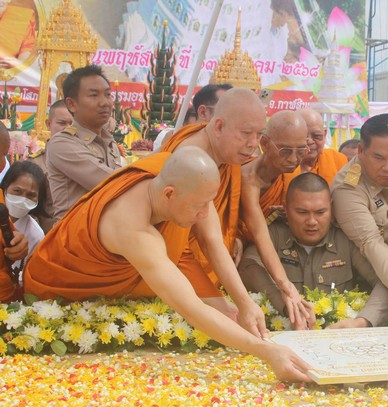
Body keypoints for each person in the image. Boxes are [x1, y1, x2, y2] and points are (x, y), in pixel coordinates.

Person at [24, 147, 310, 382]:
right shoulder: (132, 229)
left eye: (208, 204)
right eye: (199, 206)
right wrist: (267, 352)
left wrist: (244, 303)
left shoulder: (177, 174)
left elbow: (212, 241)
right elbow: (192, 308)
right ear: (169, 194)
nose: (204, 215)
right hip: (57, 287)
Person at [161, 88, 311, 328]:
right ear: (219, 126)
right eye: (245, 134)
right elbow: (209, 238)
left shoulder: (227, 155)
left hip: (208, 259)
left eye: (258, 134)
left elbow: (258, 230)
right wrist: (244, 302)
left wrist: (285, 285)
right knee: (226, 318)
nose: (253, 145)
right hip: (172, 258)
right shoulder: (193, 158)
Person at [239, 173, 388, 329]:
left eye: (320, 212)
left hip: (338, 335)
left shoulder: (346, 238)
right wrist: (287, 306)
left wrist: (361, 322)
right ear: (286, 208)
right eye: (302, 212)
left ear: (331, 208)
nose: (312, 221)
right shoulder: (273, 234)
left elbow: (385, 282)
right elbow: (248, 266)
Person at [331, 114, 388, 326]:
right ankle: (360, 323)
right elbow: (370, 242)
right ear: (361, 150)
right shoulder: (347, 188)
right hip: (363, 267)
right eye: (379, 158)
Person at [239, 110, 315, 325]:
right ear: (264, 143)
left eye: (301, 150)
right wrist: (286, 285)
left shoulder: (291, 175)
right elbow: (258, 232)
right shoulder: (248, 178)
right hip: (236, 252)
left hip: (264, 252)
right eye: (285, 151)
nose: (293, 159)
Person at [46, 65, 123, 221]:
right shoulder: (62, 143)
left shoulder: (109, 141)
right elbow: (113, 184)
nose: (105, 102)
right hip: (74, 233)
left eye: (108, 94)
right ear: (71, 104)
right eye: (94, 95)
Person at [26, 100, 73, 233]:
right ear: (48, 124)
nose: (67, 128)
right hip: (48, 236)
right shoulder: (35, 163)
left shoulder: (87, 160)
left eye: (72, 124)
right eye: (62, 123)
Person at [0, 161, 46, 282]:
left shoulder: (36, 234)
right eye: (17, 191)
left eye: (30, 195)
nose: (22, 199)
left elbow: (31, 274)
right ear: (5, 187)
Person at [153, 84, 232, 150]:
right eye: (228, 109)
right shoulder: (176, 142)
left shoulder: (231, 150)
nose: (234, 117)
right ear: (203, 112)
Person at [292, 108, 347, 185]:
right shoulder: (282, 164)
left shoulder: (338, 160)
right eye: (303, 136)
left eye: (317, 136)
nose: (310, 142)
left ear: (324, 134)